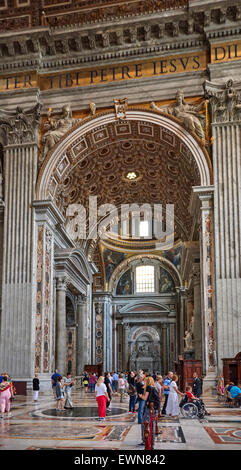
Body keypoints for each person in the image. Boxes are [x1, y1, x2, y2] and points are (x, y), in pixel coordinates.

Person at [138, 376, 160, 447]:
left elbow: (145, 398)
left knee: (145, 424)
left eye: (145, 381)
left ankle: (145, 440)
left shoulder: (148, 387)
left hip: (149, 409)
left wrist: (140, 396)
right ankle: (151, 441)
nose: (144, 382)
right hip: (154, 409)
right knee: (152, 424)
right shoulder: (154, 387)